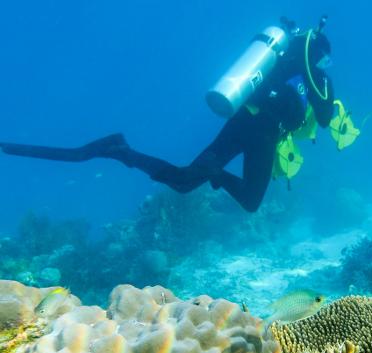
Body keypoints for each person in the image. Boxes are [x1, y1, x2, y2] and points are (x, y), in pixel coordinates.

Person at [0, 19, 334, 212]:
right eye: (325, 61)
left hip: (240, 120)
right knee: (250, 200)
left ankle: (121, 151)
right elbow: (323, 118)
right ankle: (211, 171)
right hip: (262, 133)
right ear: (318, 55)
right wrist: (325, 86)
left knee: (185, 181)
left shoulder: (281, 61)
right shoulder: (315, 75)